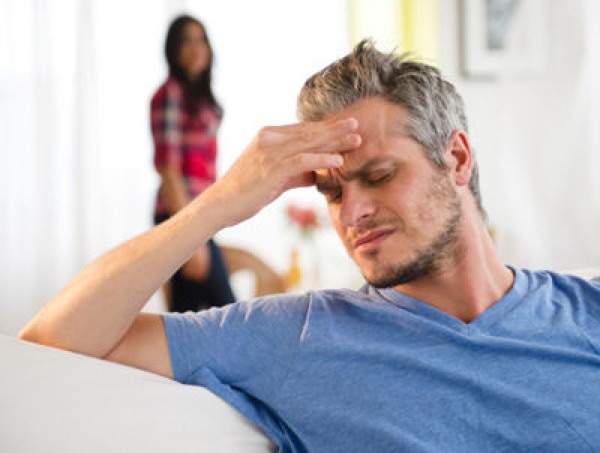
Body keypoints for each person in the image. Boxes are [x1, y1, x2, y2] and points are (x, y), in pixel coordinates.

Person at [19, 41, 600, 451]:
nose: (352, 212)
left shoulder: (586, 311)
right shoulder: (295, 337)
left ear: (457, 159)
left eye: (378, 176)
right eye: (332, 192)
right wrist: (220, 204)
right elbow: (54, 342)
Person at [150, 14, 235, 312]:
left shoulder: (201, 99)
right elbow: (169, 169)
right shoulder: (170, 95)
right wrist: (190, 239)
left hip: (198, 215)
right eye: (186, 41)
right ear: (173, 50)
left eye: (201, 40)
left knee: (189, 315)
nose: (196, 47)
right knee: (229, 311)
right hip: (179, 215)